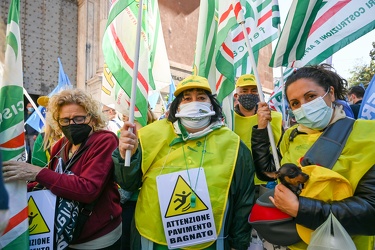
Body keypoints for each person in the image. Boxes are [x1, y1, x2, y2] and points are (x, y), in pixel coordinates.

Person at [113, 75, 255, 250]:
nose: (194, 103)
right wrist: (125, 154)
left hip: (209, 243)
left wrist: (239, 244)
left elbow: (244, 201)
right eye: (187, 98)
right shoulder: (149, 135)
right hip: (154, 241)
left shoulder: (233, 145)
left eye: (201, 98)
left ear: (211, 105)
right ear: (177, 105)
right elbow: (128, 182)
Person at [251, 64, 375, 249]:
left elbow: (370, 213)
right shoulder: (291, 135)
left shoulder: (368, 135)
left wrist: (300, 209)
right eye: (295, 103)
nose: (304, 106)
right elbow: (269, 172)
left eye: (310, 96)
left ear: (331, 93)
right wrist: (261, 129)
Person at [3, 88, 122, 249]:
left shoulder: (105, 141)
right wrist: (17, 188)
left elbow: (88, 189)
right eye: (65, 120)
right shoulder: (61, 145)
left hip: (98, 237)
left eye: (78, 118)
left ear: (93, 119)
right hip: (67, 234)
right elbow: (50, 184)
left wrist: (37, 172)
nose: (71, 124)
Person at [233, 74, 283, 190]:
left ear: (260, 94)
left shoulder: (275, 118)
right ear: (236, 95)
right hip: (237, 181)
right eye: (244, 91)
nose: (249, 94)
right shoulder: (228, 119)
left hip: (266, 181)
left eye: (254, 90)